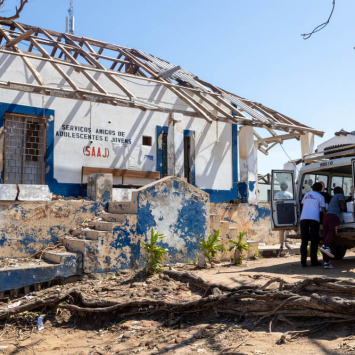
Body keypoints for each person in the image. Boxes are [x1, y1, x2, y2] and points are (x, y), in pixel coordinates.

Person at [300, 182, 326, 267]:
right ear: (321, 189)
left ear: (312, 188)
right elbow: (323, 210)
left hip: (303, 218)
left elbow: (303, 206)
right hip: (314, 219)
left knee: (304, 240)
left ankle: (303, 262)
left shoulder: (306, 195)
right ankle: (314, 262)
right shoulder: (321, 197)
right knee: (314, 240)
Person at [320, 186, 346, 269]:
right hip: (333, 216)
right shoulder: (340, 195)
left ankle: (326, 263)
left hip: (326, 216)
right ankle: (325, 247)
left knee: (326, 237)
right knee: (333, 231)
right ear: (340, 191)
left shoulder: (333, 198)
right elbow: (343, 207)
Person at [275, 182, 293, 253]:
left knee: (281, 229)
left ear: (280, 187)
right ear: (287, 187)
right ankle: (287, 241)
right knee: (288, 228)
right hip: (288, 214)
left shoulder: (277, 194)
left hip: (279, 214)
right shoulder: (290, 195)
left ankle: (281, 244)